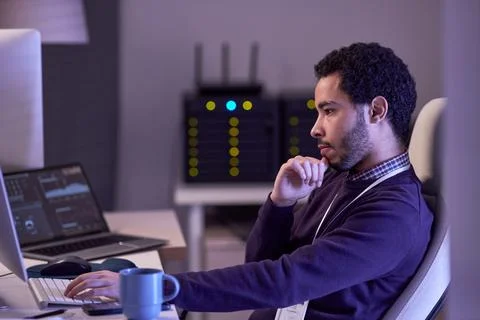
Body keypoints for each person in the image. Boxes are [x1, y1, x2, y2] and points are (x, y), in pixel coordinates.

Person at [64, 42, 433, 320]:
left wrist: (153, 289)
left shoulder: (394, 215)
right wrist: (280, 203)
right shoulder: (342, 180)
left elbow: (283, 281)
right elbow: (261, 262)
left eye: (329, 111)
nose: (316, 128)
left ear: (377, 111)